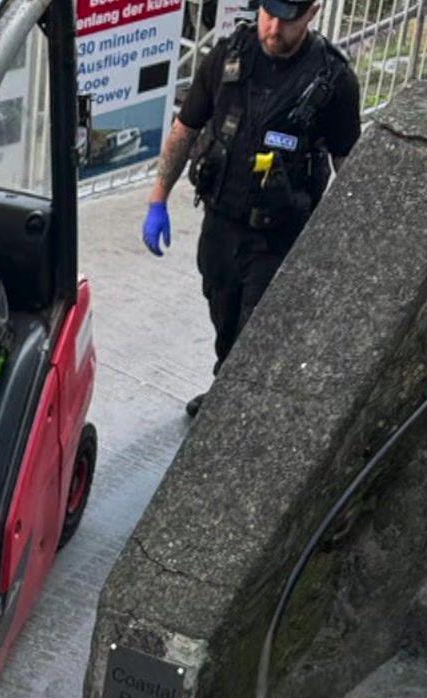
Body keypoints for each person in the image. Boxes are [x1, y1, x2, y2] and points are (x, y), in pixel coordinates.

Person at [141, 0, 360, 417]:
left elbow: (348, 165)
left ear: (312, 13)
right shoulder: (228, 56)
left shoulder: (333, 80)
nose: (274, 28)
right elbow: (184, 130)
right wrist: (158, 198)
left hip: (279, 235)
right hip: (222, 222)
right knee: (222, 310)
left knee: (257, 330)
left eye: (287, 20)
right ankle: (227, 384)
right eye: (268, 15)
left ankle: (234, 412)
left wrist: (346, 240)